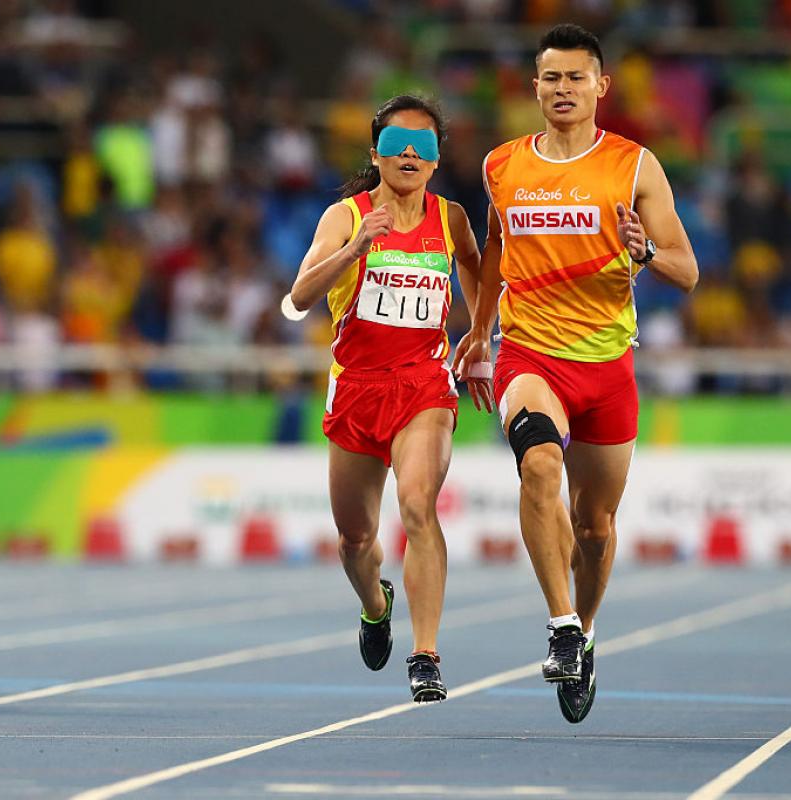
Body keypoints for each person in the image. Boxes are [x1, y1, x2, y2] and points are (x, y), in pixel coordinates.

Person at [452, 24, 698, 723]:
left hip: (607, 365)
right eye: (550, 78)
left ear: (601, 87)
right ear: (535, 87)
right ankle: (561, 626)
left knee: (594, 527)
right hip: (530, 353)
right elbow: (496, 246)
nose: (562, 90)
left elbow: (688, 271)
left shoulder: (634, 166)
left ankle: (585, 632)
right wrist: (477, 330)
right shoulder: (503, 165)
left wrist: (644, 251)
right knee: (536, 467)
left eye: (575, 78)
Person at [289, 95, 482, 703]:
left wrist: (479, 336)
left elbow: (480, 268)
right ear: (375, 153)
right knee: (354, 539)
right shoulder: (344, 216)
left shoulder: (449, 219)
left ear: (435, 161)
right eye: (397, 142)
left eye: (422, 146)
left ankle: (425, 655)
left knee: (419, 506)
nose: (407, 153)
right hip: (357, 391)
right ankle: (376, 605)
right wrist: (352, 250)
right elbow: (296, 299)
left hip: (423, 385)